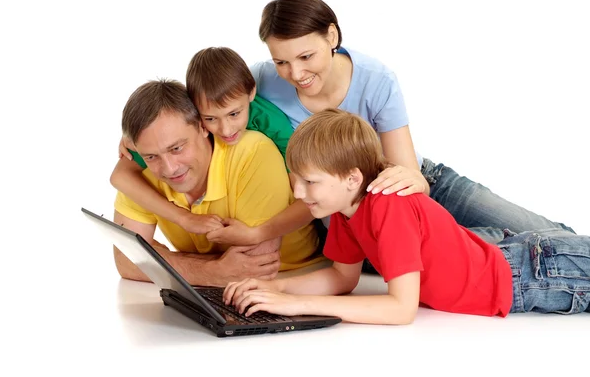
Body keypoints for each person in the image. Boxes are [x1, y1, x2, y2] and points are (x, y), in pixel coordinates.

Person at [241, 0, 575, 249]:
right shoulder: (263, 80)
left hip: (415, 181)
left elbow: (408, 175)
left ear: (331, 37)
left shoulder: (376, 79)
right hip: (351, 213)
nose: (295, 73)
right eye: (281, 61)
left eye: (305, 56)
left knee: (545, 231)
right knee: (517, 250)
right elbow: (215, 100)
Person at [222, 109, 590, 324]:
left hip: (534, 274)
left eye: (309, 182)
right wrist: (275, 289)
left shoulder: (386, 205)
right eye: (294, 180)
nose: (298, 193)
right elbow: (340, 278)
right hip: (515, 257)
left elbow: (401, 308)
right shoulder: (346, 211)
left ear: (352, 178)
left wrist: (298, 305)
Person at [113, 47, 399, 249]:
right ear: (198, 117)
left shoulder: (273, 129)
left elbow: (305, 200)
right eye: (210, 119)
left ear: (251, 95)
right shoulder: (182, 125)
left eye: (235, 114)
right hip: (338, 220)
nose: (225, 130)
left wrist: (255, 235)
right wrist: (135, 138)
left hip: (359, 196)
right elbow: (121, 174)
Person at [112, 78, 322, 287]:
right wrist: (211, 271)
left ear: (203, 127)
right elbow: (126, 261)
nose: (169, 168)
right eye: (151, 156)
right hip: (210, 291)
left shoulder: (253, 152)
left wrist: (165, 261)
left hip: (293, 279)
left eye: (177, 148)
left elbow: (254, 267)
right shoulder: (140, 170)